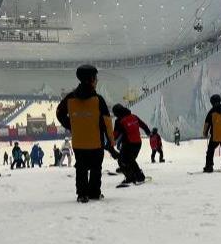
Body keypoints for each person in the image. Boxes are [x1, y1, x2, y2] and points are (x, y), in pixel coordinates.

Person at [56, 65, 116, 203]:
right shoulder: (98, 100)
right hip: (96, 142)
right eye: (96, 78)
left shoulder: (70, 98)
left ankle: (82, 194)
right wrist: (111, 142)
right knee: (96, 168)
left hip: (79, 142)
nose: (97, 81)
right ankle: (94, 192)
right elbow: (107, 122)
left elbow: (59, 112)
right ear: (92, 80)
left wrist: (72, 125)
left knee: (81, 168)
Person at [112, 103, 151, 185]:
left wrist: (109, 140)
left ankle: (134, 177)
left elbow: (115, 135)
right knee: (130, 160)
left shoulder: (119, 121)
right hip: (138, 143)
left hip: (128, 143)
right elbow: (143, 125)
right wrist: (148, 132)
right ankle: (136, 175)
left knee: (123, 161)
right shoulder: (134, 116)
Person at [202, 94, 221, 173]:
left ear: (212, 102)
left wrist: (205, 133)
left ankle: (209, 166)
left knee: (210, 151)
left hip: (215, 136)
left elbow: (207, 123)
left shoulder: (212, 112)